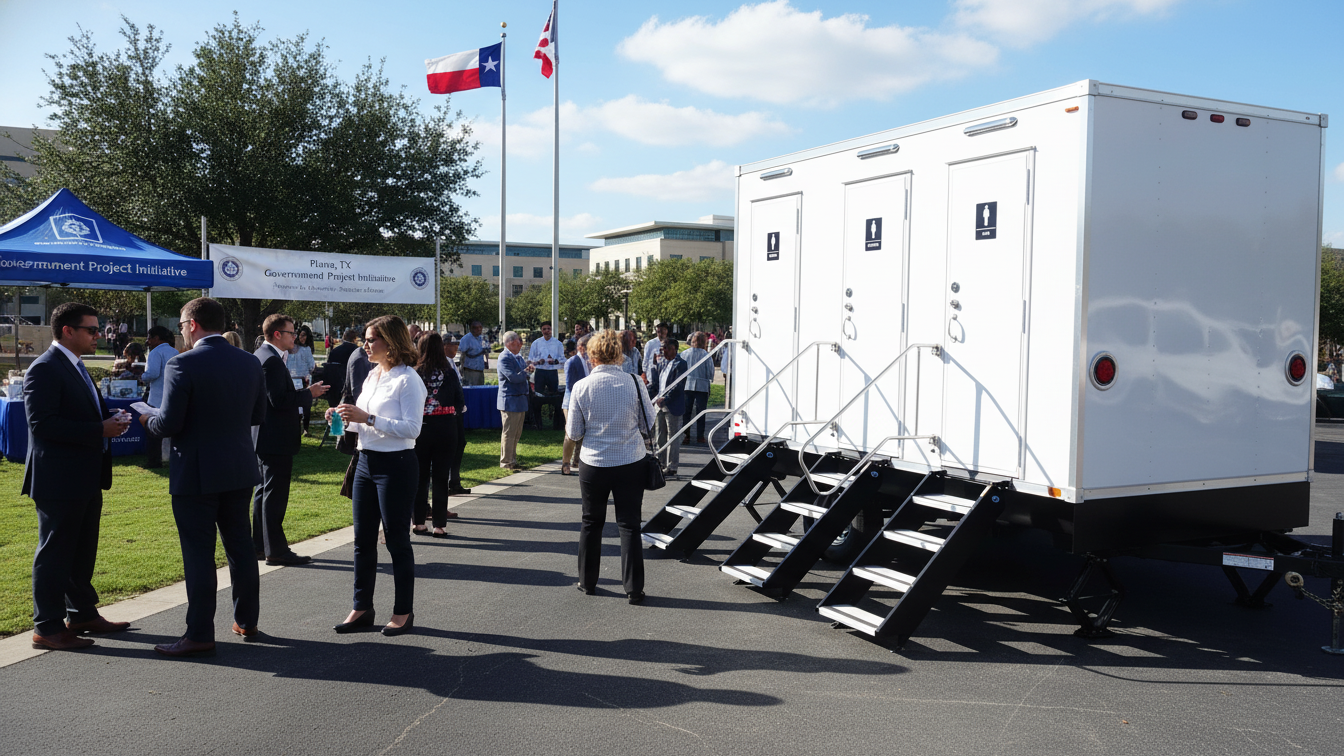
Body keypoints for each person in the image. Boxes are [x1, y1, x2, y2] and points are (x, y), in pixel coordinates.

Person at [143, 297, 268, 657]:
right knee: (240, 548)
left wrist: (146, 420)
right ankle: (247, 620)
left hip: (196, 471)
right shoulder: (249, 361)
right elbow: (258, 414)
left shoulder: (183, 363)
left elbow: (169, 423)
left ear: (192, 324)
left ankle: (198, 632)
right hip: (238, 466)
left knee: (198, 554)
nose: (182, 331)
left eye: (182, 325)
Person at [22, 302, 133, 651]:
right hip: (59, 478)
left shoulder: (77, 366)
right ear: (68, 331)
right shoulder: (45, 368)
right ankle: (48, 626)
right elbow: (41, 424)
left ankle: (82, 613)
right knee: (55, 553)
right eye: (92, 329)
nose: (99, 335)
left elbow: (83, 413)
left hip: (84, 475)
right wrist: (98, 428)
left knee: (81, 552)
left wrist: (109, 420)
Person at [328, 315, 425, 636]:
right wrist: (343, 416)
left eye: (371, 339)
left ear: (391, 342)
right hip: (365, 462)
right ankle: (362, 607)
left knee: (397, 541)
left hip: (396, 464)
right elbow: (361, 423)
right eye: (366, 339)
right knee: (362, 541)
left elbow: (412, 429)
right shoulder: (372, 376)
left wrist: (368, 417)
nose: (365, 344)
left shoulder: (408, 379)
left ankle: (403, 612)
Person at [565, 329, 654, 604]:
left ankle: (587, 580)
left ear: (591, 355)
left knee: (591, 522)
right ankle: (634, 587)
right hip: (629, 460)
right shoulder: (634, 383)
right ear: (619, 354)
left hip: (594, 461)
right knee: (629, 524)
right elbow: (647, 424)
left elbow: (575, 433)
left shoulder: (582, 386)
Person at [252, 314, 328, 565]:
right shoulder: (271, 360)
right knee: (273, 494)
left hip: (267, 436)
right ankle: (275, 550)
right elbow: (279, 401)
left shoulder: (265, 356)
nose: (295, 337)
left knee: (264, 492)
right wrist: (309, 393)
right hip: (275, 437)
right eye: (290, 333)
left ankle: (260, 546)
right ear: (277, 334)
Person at [411, 333, 464, 536]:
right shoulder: (449, 372)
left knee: (420, 476)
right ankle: (439, 525)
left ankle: (418, 521)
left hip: (420, 427)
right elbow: (460, 401)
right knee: (441, 476)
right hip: (445, 426)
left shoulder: (415, 372)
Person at [648, 338, 687, 476]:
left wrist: (666, 398)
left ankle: (672, 466)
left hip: (672, 405)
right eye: (662, 348)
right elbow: (656, 383)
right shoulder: (661, 363)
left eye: (666, 348)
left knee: (673, 437)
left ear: (674, 348)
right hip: (659, 405)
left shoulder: (681, 364)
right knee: (659, 436)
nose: (663, 351)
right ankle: (660, 463)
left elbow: (679, 385)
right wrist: (653, 366)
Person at [141, 325, 179, 468]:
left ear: (157, 338)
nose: (148, 341)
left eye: (149, 338)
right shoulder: (174, 351)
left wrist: (142, 376)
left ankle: (154, 461)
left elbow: (153, 373)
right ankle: (171, 458)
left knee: (152, 431)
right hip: (171, 395)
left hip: (156, 397)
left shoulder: (156, 352)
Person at [497, 330, 533, 470]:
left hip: (519, 399)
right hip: (510, 400)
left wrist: (526, 371)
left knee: (516, 433)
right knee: (509, 433)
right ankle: (506, 462)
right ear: (511, 342)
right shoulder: (504, 358)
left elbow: (522, 375)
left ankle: (512, 459)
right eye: (519, 340)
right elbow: (514, 378)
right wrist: (527, 371)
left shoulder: (517, 357)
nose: (521, 343)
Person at [442, 337, 471, 495]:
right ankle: (449, 481)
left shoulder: (451, 362)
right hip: (450, 413)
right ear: (445, 346)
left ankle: (454, 481)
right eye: (455, 345)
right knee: (453, 446)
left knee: (460, 444)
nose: (457, 348)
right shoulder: (443, 363)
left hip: (458, 410)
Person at [561, 333, 592, 476]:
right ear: (580, 347)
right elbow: (570, 385)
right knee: (571, 433)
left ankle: (577, 461)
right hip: (571, 403)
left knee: (583, 433)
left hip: (586, 402)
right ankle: (565, 463)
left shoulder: (591, 362)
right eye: (588, 346)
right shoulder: (572, 362)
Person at [682, 331, 714, 446]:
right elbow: (710, 372)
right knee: (701, 412)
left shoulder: (684, 354)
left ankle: (686, 435)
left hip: (687, 385)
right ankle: (700, 436)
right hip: (702, 385)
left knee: (687, 412)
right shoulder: (706, 355)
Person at [291, 325, 318, 431]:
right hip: (300, 379)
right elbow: (311, 366)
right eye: (301, 335)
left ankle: (303, 428)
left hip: (300, 380)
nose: (303, 338)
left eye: (305, 336)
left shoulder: (291, 348)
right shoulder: (306, 349)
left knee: (301, 404)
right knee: (304, 403)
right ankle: (303, 428)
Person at [528, 321, 564, 395]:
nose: (546, 331)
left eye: (548, 329)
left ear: (551, 330)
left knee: (554, 394)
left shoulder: (558, 343)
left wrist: (555, 361)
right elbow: (530, 359)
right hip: (540, 372)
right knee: (538, 394)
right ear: (541, 330)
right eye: (544, 329)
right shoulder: (536, 343)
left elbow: (562, 358)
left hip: (552, 371)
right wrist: (538, 361)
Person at [459, 320, 488, 386]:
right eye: (476, 328)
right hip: (470, 371)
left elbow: (485, 351)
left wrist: (486, 362)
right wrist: (461, 368)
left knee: (480, 391)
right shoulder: (466, 339)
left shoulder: (482, 338)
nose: (479, 329)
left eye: (480, 327)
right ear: (472, 329)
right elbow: (462, 354)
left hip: (480, 370)